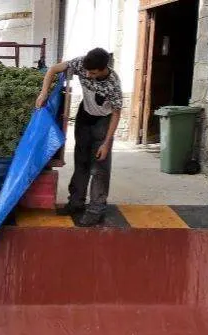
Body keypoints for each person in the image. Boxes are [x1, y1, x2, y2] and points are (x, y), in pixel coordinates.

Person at [36, 48, 123, 226]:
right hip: (84, 116)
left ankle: (96, 210)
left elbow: (116, 113)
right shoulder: (81, 63)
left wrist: (106, 143)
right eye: (87, 72)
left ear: (103, 69)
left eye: (93, 73)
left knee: (99, 168)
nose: (88, 75)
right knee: (81, 161)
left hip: (103, 122)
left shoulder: (113, 84)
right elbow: (53, 69)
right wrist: (44, 92)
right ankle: (75, 203)